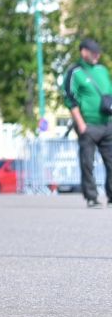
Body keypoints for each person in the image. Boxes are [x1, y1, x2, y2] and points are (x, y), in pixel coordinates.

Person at [64, 37, 112, 207]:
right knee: (87, 163)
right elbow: (70, 99)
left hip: (107, 123)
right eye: (93, 52)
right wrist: (81, 124)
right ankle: (92, 197)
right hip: (88, 125)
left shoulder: (102, 70)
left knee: (111, 162)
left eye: (98, 52)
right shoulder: (74, 72)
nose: (97, 55)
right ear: (84, 52)